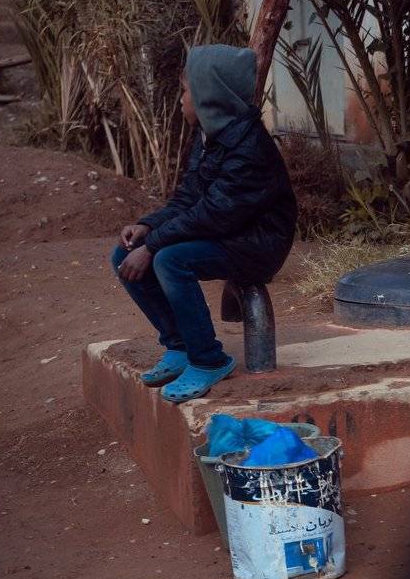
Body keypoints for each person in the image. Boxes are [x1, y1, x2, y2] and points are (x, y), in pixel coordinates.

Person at [112, 44, 297, 403]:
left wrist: (154, 245)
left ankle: (208, 358)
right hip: (227, 233)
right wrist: (147, 227)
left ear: (209, 97)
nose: (181, 100)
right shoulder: (209, 136)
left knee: (169, 259)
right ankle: (180, 346)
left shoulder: (250, 147)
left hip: (258, 244)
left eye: (185, 91)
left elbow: (215, 212)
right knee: (124, 252)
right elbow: (188, 199)